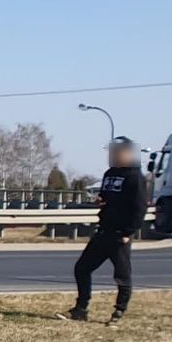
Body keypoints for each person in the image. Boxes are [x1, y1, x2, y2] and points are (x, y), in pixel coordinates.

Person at [64, 136, 147, 324]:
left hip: (120, 235)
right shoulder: (110, 173)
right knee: (82, 268)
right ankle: (81, 309)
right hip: (104, 231)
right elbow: (106, 196)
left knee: (122, 276)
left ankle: (119, 312)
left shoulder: (135, 177)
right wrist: (101, 201)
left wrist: (128, 232)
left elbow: (140, 207)